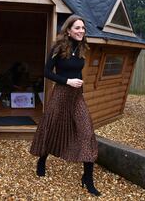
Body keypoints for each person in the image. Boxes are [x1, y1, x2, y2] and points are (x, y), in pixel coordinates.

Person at [30, 15, 101, 196]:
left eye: (83, 28)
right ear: (68, 30)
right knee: (52, 128)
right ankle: (42, 161)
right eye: (77, 28)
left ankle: (87, 178)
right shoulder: (59, 48)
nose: (81, 31)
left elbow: (78, 70)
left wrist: (78, 86)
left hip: (77, 98)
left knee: (87, 132)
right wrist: (67, 81)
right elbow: (46, 72)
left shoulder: (82, 47)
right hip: (61, 95)